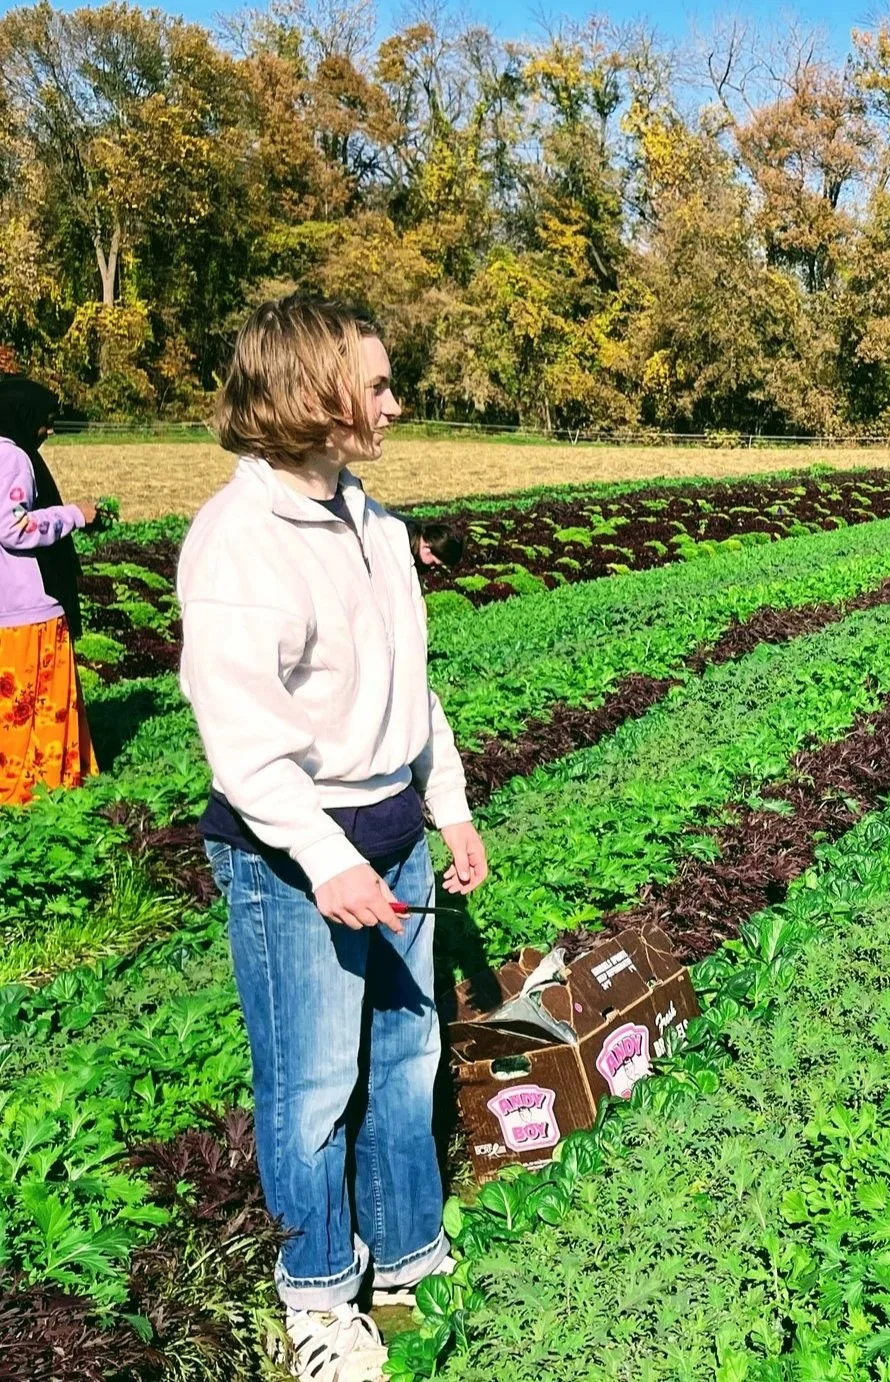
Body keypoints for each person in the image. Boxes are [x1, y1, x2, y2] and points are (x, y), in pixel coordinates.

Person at [177, 298, 489, 1382]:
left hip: (395, 833)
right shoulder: (239, 542)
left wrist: (445, 801)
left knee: (407, 1056)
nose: (396, 403)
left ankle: (405, 1253)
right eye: (379, 383)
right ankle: (316, 1296)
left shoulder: (374, 521)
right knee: (312, 1082)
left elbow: (414, 684)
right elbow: (242, 741)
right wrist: (328, 858)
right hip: (291, 858)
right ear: (314, 393)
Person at [0, 375, 99, 805]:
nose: (49, 429)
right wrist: (74, 515)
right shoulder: (14, 459)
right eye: (46, 419)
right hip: (30, 606)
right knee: (38, 701)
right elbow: (13, 527)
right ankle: (39, 789)